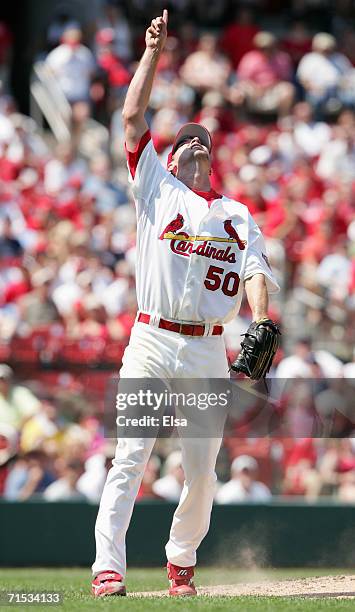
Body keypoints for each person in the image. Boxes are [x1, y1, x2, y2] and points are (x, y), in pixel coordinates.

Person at [91, 10, 279, 599]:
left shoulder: (235, 214)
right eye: (186, 140)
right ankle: (108, 568)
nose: (197, 143)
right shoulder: (156, 186)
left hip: (204, 349)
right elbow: (131, 115)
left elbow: (253, 270)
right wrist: (152, 52)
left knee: (201, 472)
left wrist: (264, 319)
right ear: (170, 158)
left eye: (205, 141)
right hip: (151, 339)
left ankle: (181, 560)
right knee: (131, 458)